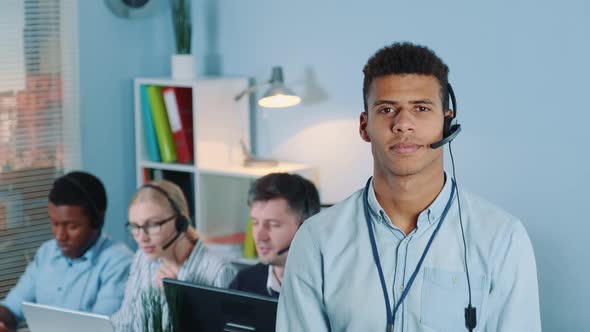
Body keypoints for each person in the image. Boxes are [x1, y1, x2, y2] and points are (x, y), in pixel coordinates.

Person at [277, 42, 541, 331]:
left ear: (447, 123)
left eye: (421, 108)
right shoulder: (317, 241)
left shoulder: (502, 239)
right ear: (364, 126)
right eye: (387, 109)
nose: (403, 124)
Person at [0, 171, 133, 332]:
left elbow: (101, 329)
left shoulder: (119, 262)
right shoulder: (47, 252)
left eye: (72, 226)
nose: (60, 236)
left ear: (97, 221)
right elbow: (12, 308)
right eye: (55, 224)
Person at [111, 180, 237, 332]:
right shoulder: (142, 259)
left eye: (152, 225)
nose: (142, 237)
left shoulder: (218, 272)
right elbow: (124, 323)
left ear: (181, 221)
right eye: (135, 227)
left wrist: (179, 299)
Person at [229, 173, 321, 298]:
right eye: (255, 223)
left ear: (304, 228)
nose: (260, 236)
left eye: (272, 224)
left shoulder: (332, 290)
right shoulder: (243, 284)